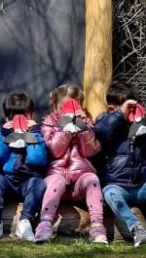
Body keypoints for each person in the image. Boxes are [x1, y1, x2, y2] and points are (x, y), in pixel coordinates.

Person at [94, 82, 146, 247]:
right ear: (111, 109)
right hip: (117, 185)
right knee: (109, 193)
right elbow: (102, 132)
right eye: (127, 107)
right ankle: (137, 229)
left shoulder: (142, 125)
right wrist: (119, 114)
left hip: (142, 185)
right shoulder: (105, 121)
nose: (131, 111)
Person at [35, 84, 106, 244]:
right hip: (56, 175)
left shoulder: (86, 123)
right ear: (54, 107)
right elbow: (55, 151)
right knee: (56, 181)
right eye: (62, 108)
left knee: (92, 179)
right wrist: (66, 129)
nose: (67, 112)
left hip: (79, 178)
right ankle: (45, 224)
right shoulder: (48, 124)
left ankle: (97, 225)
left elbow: (91, 151)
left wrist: (83, 129)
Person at [0, 92, 48, 241]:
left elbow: (37, 160)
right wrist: (4, 136)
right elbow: (0, 158)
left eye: (24, 117)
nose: (19, 121)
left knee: (39, 183)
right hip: (7, 178)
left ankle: (25, 221)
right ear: (6, 118)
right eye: (14, 118)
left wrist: (32, 135)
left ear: (31, 115)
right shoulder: (2, 133)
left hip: (28, 180)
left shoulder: (37, 133)